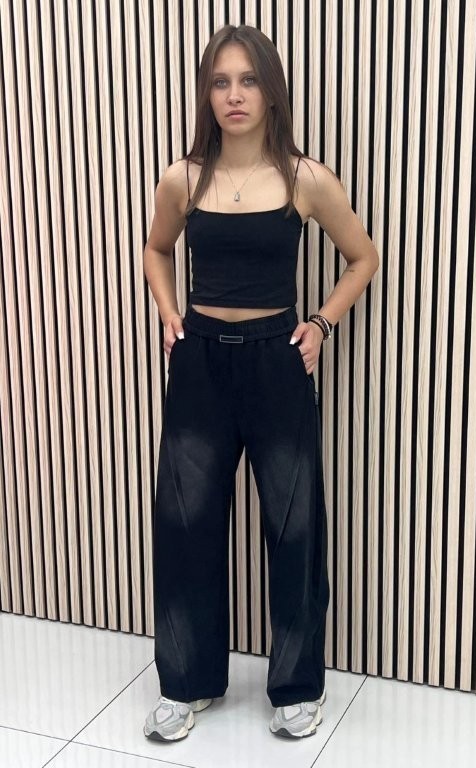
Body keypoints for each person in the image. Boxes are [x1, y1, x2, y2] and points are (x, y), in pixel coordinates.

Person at [142, 24, 379, 743]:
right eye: (221, 81)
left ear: (271, 91)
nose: (235, 95)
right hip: (200, 366)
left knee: (294, 524)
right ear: (207, 94)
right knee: (185, 524)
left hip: (278, 363)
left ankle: (297, 687)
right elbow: (156, 249)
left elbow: (362, 258)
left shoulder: (307, 179)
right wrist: (169, 312)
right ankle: (185, 683)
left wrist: (322, 324)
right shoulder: (183, 178)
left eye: (248, 80)